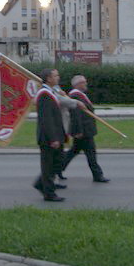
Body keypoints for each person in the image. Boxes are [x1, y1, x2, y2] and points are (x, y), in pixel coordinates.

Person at [59, 75, 108, 183]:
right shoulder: (75, 96)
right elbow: (76, 114)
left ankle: (57, 169)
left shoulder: (80, 95)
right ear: (78, 84)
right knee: (91, 153)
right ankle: (97, 175)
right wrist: (78, 131)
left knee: (73, 152)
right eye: (84, 82)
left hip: (85, 130)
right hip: (83, 131)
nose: (86, 84)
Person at [32, 69, 69, 202]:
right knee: (48, 165)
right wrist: (53, 138)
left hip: (56, 135)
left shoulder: (51, 92)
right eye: (55, 76)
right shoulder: (44, 94)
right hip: (48, 138)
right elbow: (46, 119)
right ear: (48, 78)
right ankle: (49, 193)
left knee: (57, 162)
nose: (58, 77)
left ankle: (41, 184)